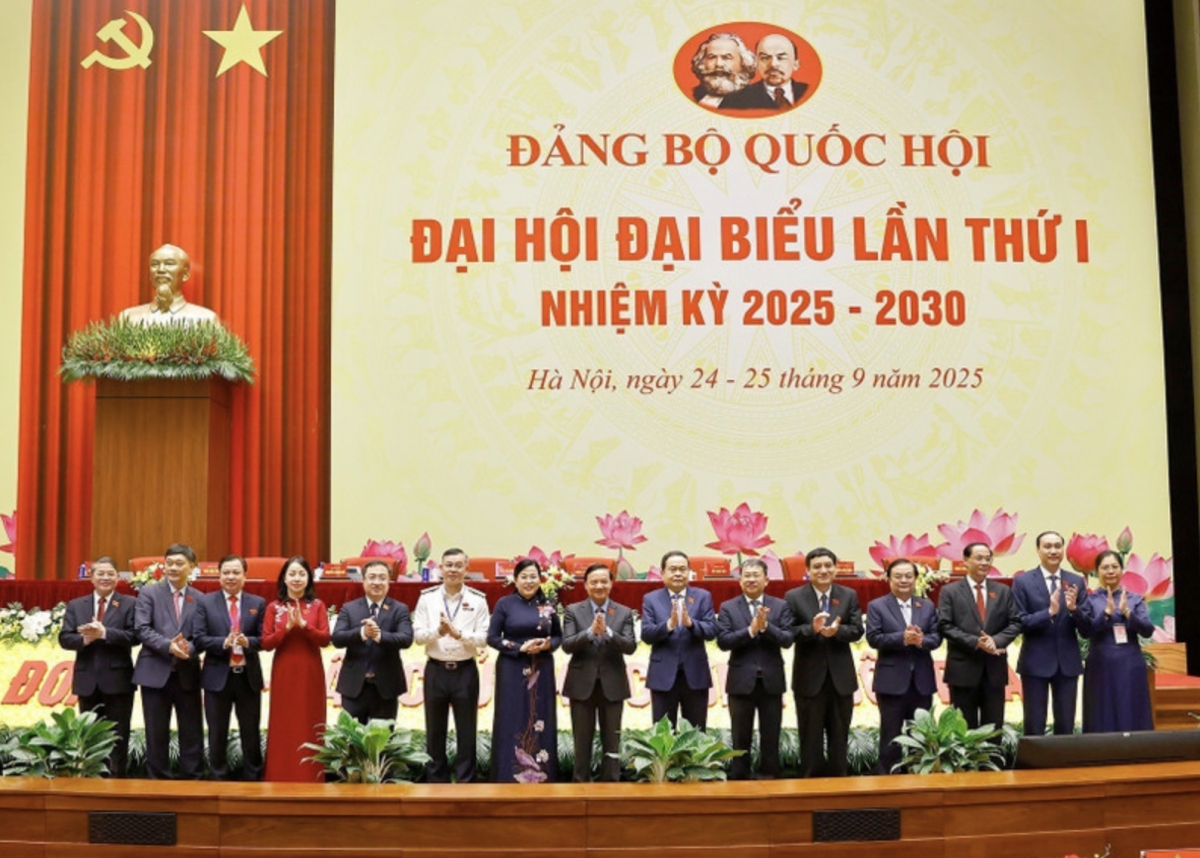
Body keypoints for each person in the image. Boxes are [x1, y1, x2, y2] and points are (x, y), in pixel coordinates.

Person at [412, 547, 490, 782]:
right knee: (434, 730)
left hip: (465, 671)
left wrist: (459, 635)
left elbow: (484, 638)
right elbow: (418, 637)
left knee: (467, 731)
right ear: (441, 568)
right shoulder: (427, 598)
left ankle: (466, 781)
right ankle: (436, 782)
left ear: (467, 569)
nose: (453, 570)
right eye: (449, 565)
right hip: (436, 670)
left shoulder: (477, 600)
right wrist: (438, 631)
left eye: (458, 565)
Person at [786, 547, 863, 778]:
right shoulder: (794, 597)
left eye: (828, 566)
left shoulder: (848, 595)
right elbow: (787, 633)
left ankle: (840, 781)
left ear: (836, 568)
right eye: (817, 566)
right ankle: (810, 783)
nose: (823, 570)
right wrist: (812, 629)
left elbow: (857, 630)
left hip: (841, 678)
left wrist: (838, 631)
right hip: (808, 678)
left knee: (839, 736)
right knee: (810, 736)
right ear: (808, 570)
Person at [717, 557, 795, 780]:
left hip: (771, 680)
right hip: (741, 680)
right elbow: (723, 641)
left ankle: (770, 773)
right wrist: (750, 631)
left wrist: (766, 627)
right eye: (747, 576)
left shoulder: (780, 606)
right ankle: (740, 774)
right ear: (740, 580)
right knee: (740, 733)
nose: (751, 580)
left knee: (771, 732)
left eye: (756, 575)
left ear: (766, 580)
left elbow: (787, 639)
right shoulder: (728, 607)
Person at [58, 556, 136, 777]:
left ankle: (118, 779)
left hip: (118, 681)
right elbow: (64, 638)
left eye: (110, 574)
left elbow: (135, 636)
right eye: (100, 573)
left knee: (118, 734)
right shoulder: (76, 605)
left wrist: (105, 633)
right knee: (90, 734)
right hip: (87, 680)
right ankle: (93, 779)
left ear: (118, 577)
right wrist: (85, 639)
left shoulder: (129, 603)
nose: (105, 578)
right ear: (91, 577)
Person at [133, 543, 204, 779]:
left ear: (191, 567)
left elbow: (202, 635)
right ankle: (158, 782)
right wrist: (168, 646)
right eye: (169, 563)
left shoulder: (200, 598)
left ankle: (192, 780)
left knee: (191, 731)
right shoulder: (149, 593)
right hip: (154, 672)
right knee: (156, 733)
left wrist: (188, 649)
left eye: (179, 563)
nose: (173, 568)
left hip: (187, 673)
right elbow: (142, 629)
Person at [487, 558, 562, 783]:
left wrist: (547, 645)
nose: (529, 581)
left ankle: (543, 777)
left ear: (540, 579)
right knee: (511, 716)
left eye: (533, 577)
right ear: (515, 580)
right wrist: (519, 647)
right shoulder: (505, 604)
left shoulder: (548, 605)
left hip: (541, 667)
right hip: (512, 667)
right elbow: (492, 638)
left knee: (540, 715)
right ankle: (506, 777)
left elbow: (558, 637)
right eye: (524, 577)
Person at [561, 563, 637, 782]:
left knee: (612, 742)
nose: (599, 586)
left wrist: (609, 633)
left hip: (613, 684)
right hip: (581, 683)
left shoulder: (623, 612)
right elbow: (567, 645)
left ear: (611, 584)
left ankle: (610, 785)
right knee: (581, 740)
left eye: (604, 581)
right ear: (585, 585)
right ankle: (580, 784)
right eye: (594, 582)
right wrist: (589, 632)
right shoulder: (573, 611)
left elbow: (630, 646)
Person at [193, 554, 265, 780]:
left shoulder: (257, 603)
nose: (231, 577)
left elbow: (264, 639)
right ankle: (218, 778)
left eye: (236, 572)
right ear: (219, 575)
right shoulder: (205, 602)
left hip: (247, 677)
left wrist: (248, 642)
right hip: (217, 677)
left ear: (245, 576)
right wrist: (223, 643)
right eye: (226, 572)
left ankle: (253, 778)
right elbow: (199, 638)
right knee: (217, 732)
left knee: (250, 732)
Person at [866, 558, 941, 773]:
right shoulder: (877, 606)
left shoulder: (926, 606)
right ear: (889, 579)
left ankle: (919, 774)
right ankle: (889, 777)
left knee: (921, 734)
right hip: (891, 681)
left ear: (916, 579)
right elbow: (873, 638)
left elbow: (936, 638)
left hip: (922, 681)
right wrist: (902, 638)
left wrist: (921, 641)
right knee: (891, 734)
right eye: (898, 576)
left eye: (908, 576)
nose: (903, 580)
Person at [936, 543, 1021, 729]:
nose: (984, 562)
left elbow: (1015, 623)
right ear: (965, 561)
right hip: (962, 670)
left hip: (994, 670)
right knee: (963, 729)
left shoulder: (1002, 591)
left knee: (993, 728)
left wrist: (996, 641)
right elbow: (944, 625)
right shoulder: (950, 591)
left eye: (988, 559)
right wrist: (976, 642)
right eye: (979, 558)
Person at [261, 556, 331, 782]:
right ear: (284, 578)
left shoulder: (317, 606)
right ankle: (279, 776)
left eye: (302, 574)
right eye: (292, 574)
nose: (297, 578)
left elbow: (325, 640)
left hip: (310, 671)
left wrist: (304, 626)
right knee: (284, 723)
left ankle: (311, 777)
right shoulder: (274, 607)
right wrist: (286, 629)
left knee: (309, 721)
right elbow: (266, 643)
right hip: (284, 671)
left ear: (309, 578)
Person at [1012, 531, 1086, 735]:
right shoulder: (1023, 581)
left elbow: (1086, 628)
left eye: (1057, 546)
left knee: (1066, 725)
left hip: (1067, 663)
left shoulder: (1076, 581)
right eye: (1047, 546)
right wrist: (1048, 613)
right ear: (1038, 550)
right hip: (1035, 662)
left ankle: (1064, 757)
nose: (1053, 551)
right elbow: (1019, 622)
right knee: (1034, 724)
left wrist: (1074, 610)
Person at [1078, 550, 1155, 732]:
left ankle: (1134, 745)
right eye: (1105, 567)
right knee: (1101, 709)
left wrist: (1128, 613)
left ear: (1122, 569)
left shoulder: (1134, 599)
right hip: (1100, 663)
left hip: (1130, 663)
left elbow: (1147, 630)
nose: (1110, 571)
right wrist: (1105, 614)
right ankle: (1101, 746)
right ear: (1097, 571)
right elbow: (1085, 631)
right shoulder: (1090, 600)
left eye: (1114, 566)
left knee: (1130, 707)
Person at [640, 550, 716, 729]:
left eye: (682, 569)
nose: (678, 574)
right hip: (663, 676)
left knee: (696, 733)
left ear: (689, 572)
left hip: (695, 675)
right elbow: (646, 635)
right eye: (672, 569)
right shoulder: (651, 599)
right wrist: (668, 625)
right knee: (663, 734)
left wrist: (691, 624)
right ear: (662, 573)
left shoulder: (702, 596)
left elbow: (712, 631)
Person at [332, 559, 413, 723]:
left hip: (386, 687)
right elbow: (337, 638)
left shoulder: (400, 609)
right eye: (372, 577)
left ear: (389, 582)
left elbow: (406, 639)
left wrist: (379, 636)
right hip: (354, 686)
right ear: (363, 581)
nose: (377, 582)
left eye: (382, 578)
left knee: (382, 737)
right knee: (351, 736)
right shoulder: (349, 608)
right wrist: (362, 633)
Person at [120, 244, 218, 325]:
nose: (160, 270)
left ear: (185, 274)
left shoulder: (206, 320)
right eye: (155, 264)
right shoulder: (129, 318)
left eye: (169, 264)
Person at [722, 33, 809, 111]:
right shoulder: (735, 101)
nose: (773, 64)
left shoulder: (808, 92)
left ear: (796, 64)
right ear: (757, 63)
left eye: (781, 58)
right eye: (765, 58)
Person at [689, 32, 755, 107]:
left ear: (743, 63)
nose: (718, 64)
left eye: (726, 57)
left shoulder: (753, 101)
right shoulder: (694, 95)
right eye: (712, 57)